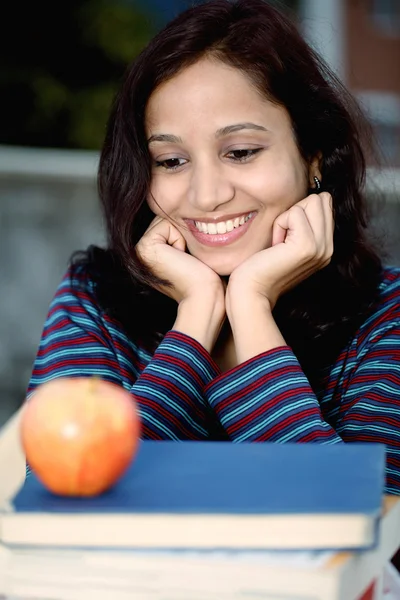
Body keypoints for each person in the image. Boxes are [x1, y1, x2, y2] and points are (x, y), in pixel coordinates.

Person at [27, 0, 400, 495]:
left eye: (241, 152)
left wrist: (251, 310)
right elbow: (65, 497)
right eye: (172, 160)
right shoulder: (93, 298)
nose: (206, 196)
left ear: (314, 157)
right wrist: (195, 322)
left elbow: (369, 534)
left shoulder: (386, 313)